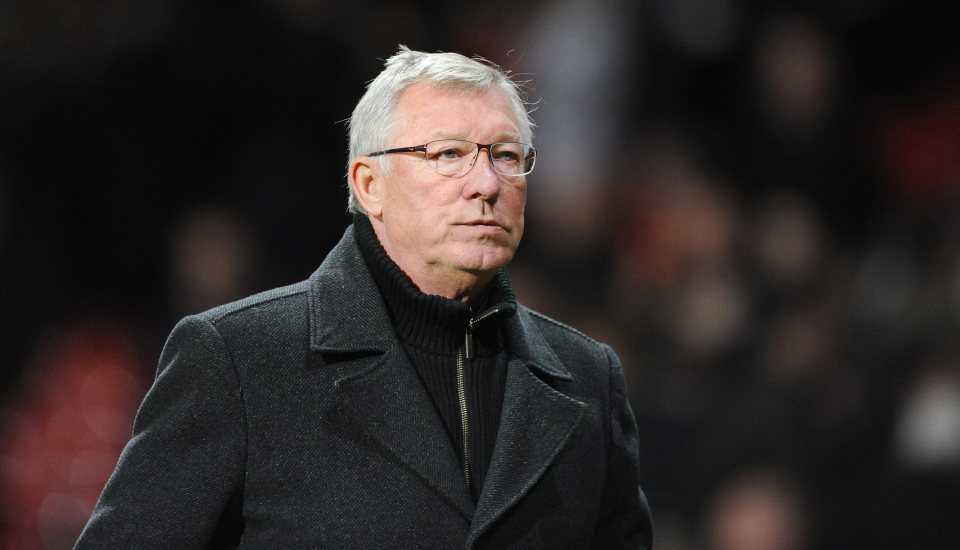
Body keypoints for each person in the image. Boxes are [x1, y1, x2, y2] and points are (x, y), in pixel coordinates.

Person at [75, 46, 653, 549]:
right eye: (449, 154)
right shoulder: (238, 360)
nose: (486, 184)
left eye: (506, 156)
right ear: (368, 185)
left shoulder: (588, 378)